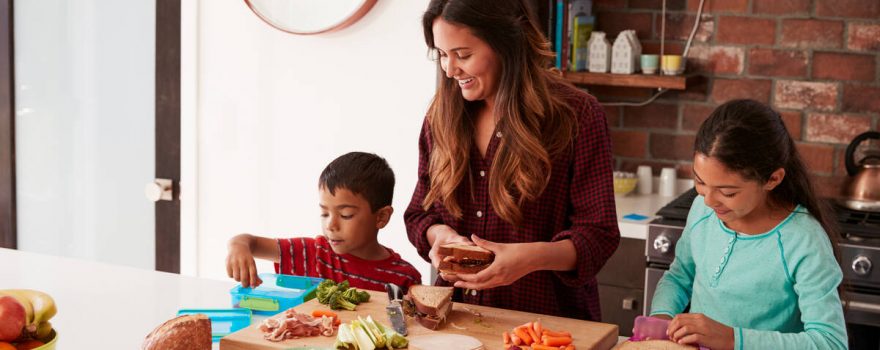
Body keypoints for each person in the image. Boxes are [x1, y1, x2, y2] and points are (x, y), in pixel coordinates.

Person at [404, 0, 620, 321]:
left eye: (463, 55)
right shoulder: (441, 117)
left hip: (547, 325)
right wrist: (442, 237)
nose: (450, 70)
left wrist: (528, 258)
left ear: (506, 43)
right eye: (442, 55)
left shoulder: (576, 115)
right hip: (459, 319)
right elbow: (420, 214)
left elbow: (598, 235)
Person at [649, 100, 848, 350]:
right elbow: (680, 276)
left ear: (772, 179)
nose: (708, 201)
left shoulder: (803, 240)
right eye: (700, 182)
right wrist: (661, 316)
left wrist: (732, 339)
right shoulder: (703, 209)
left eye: (727, 192)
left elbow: (830, 343)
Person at [226, 152, 422, 292]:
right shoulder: (313, 252)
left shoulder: (405, 278)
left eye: (345, 215)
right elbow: (249, 242)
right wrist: (238, 247)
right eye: (324, 213)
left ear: (381, 217)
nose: (331, 225)